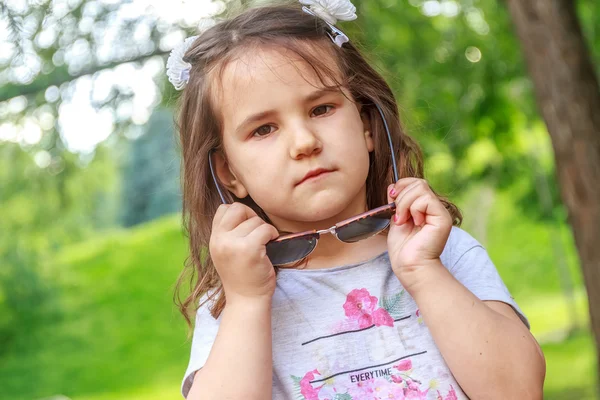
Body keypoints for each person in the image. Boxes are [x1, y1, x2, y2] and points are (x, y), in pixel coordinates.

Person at [169, 1, 546, 398]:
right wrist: (246, 303)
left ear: (366, 125)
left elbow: (518, 391)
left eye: (321, 108)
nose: (304, 142)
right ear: (228, 172)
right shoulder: (236, 298)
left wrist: (422, 271)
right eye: (264, 129)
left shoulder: (439, 250)